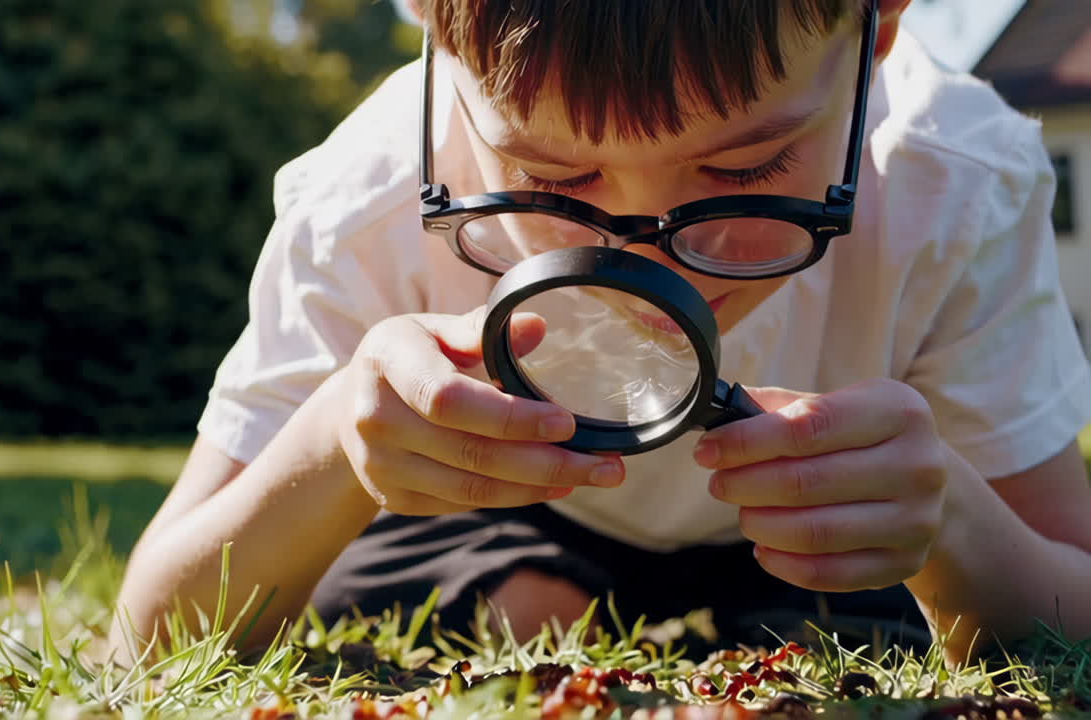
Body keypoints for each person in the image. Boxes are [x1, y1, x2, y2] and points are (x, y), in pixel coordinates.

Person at [113, 0, 1091, 667]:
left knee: (845, 633)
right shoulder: (362, 209)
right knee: (518, 607)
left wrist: (952, 527)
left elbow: (1070, 605)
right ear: (429, 29)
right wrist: (335, 440)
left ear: (876, 24)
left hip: (819, 561)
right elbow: (148, 631)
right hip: (504, 542)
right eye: (554, 178)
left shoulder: (954, 183)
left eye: (744, 168)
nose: (651, 269)